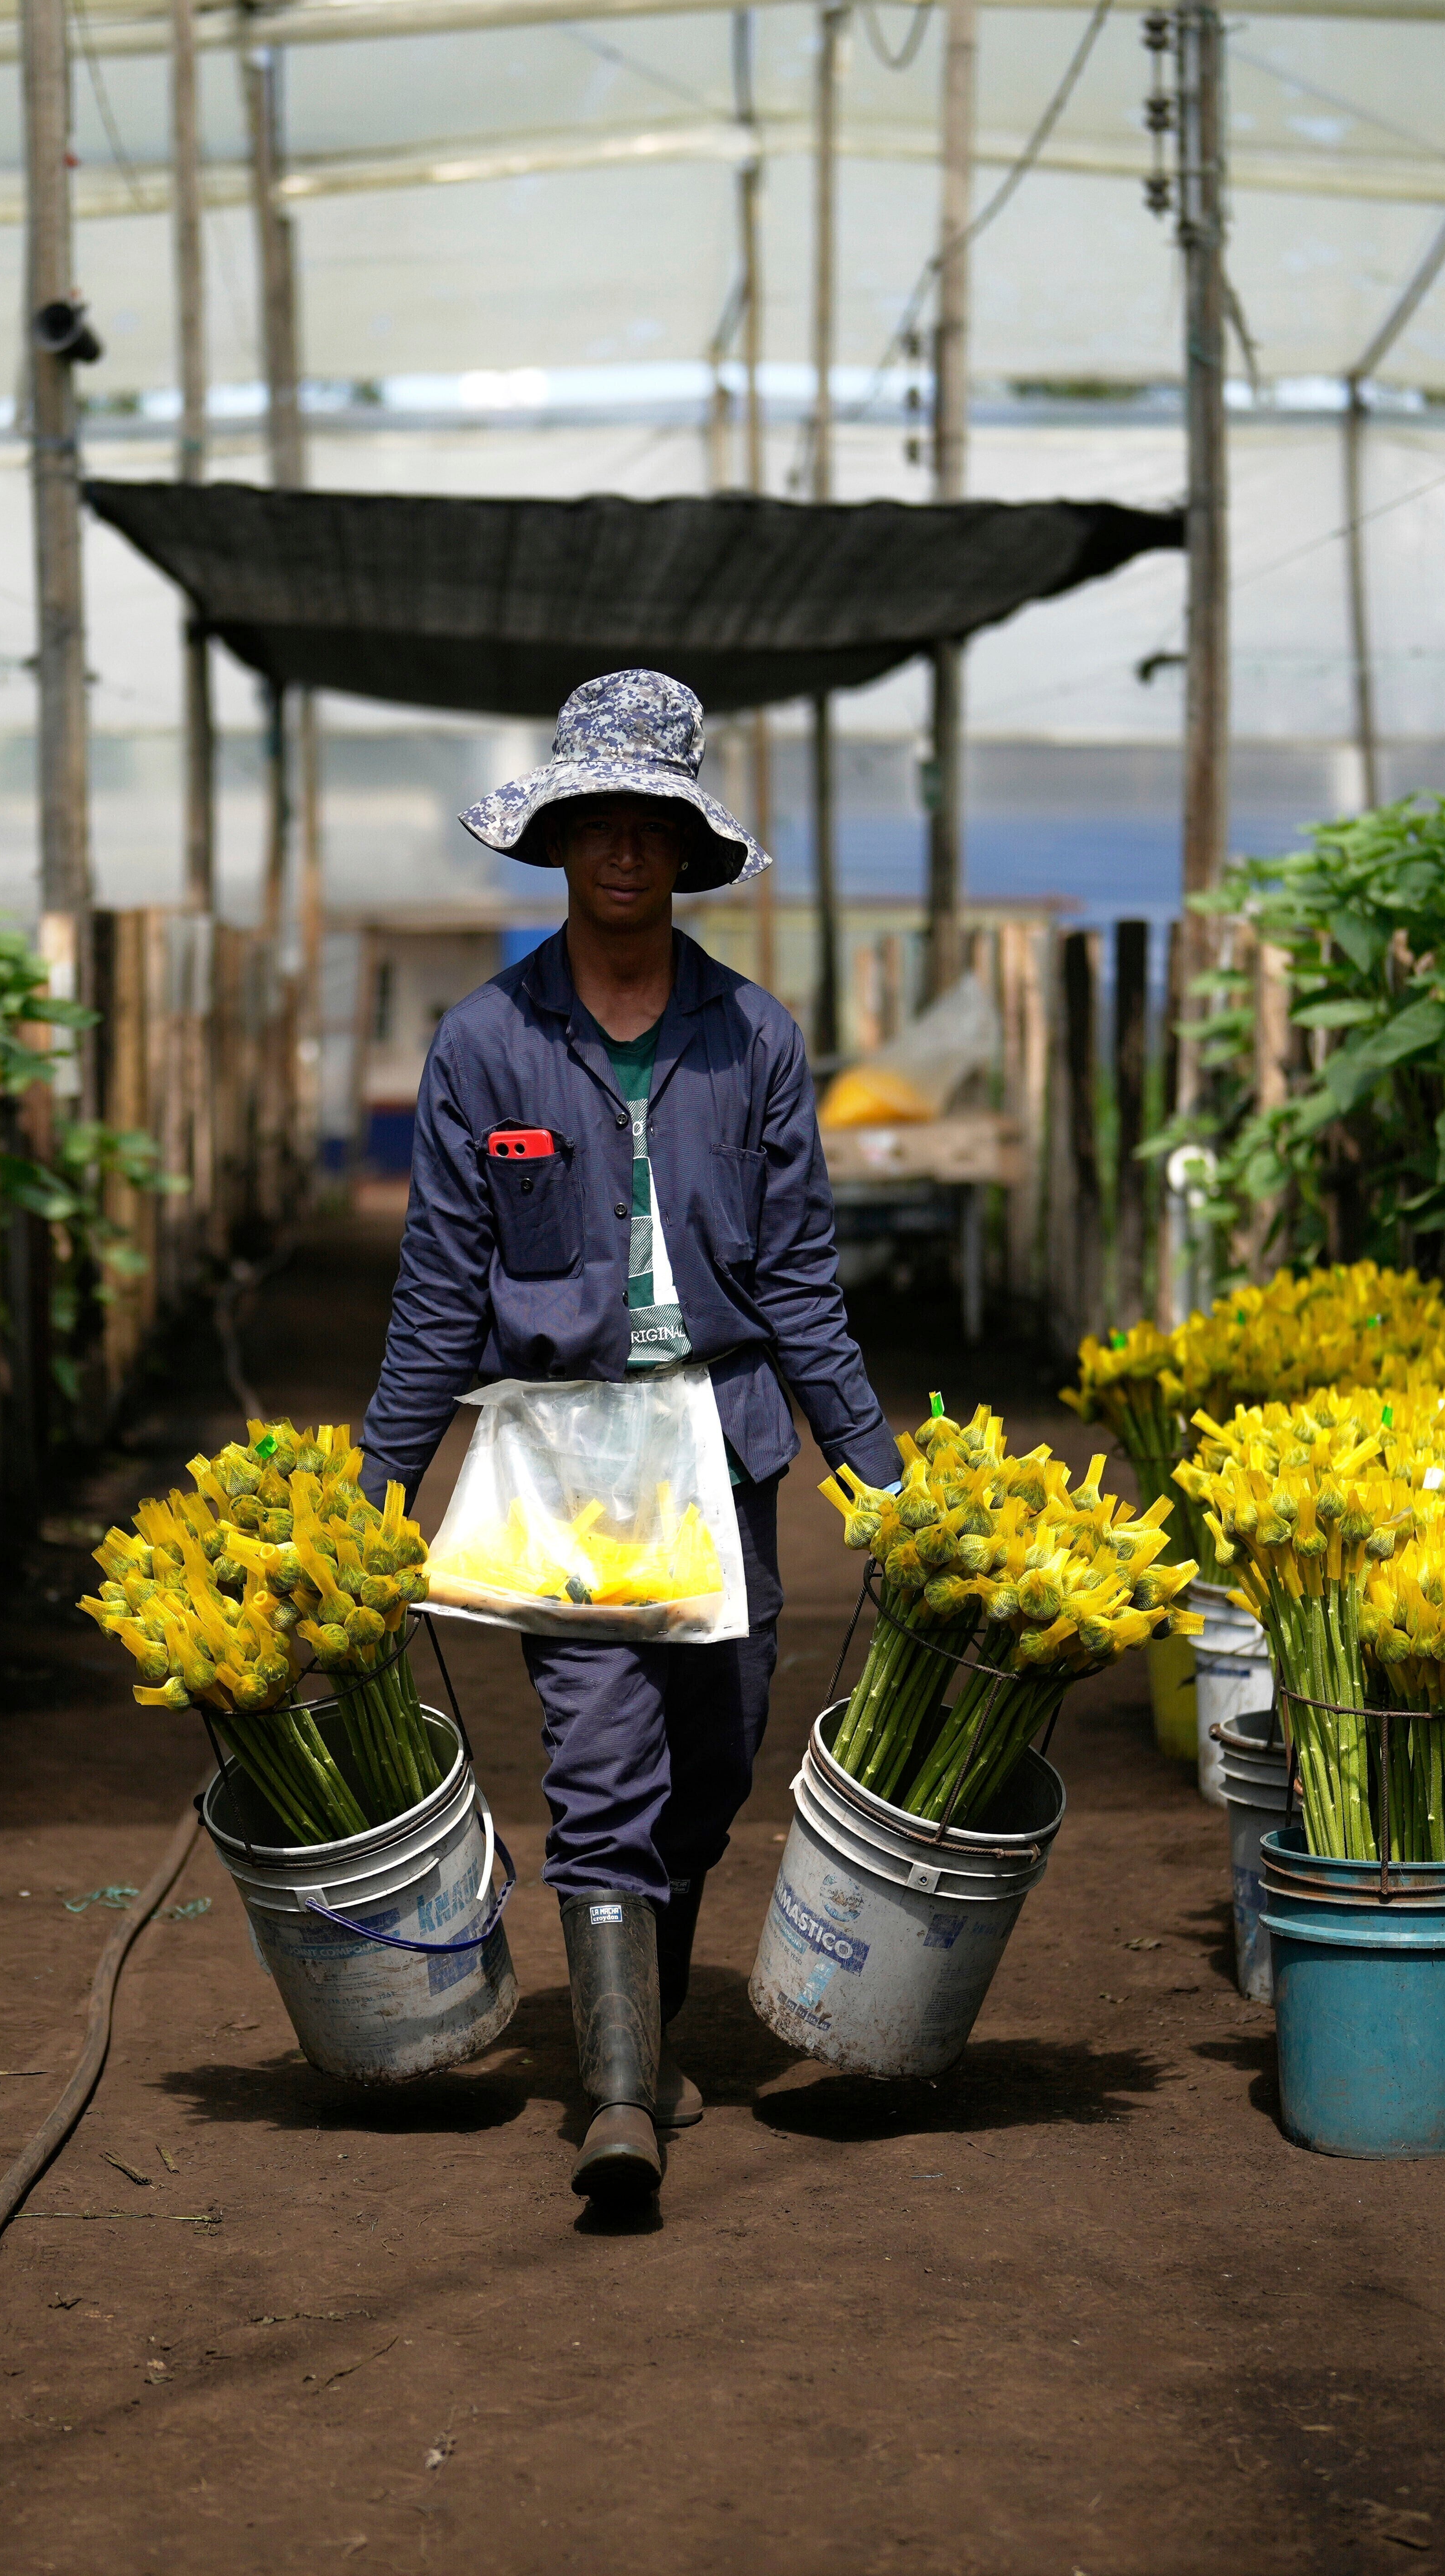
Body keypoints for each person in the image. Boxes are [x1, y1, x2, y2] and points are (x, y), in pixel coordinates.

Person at [358, 668, 901, 2208]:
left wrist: (884, 1476)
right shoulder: (486, 1045)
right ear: (559, 839)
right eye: (597, 821)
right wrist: (377, 1489)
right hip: (567, 1457)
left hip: (723, 1450)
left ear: (685, 849)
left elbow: (801, 1280)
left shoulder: (754, 1042)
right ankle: (618, 2102)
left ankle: (643, 2012)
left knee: (717, 1760)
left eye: (651, 824)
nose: (622, 850)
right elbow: (438, 1293)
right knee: (600, 1764)